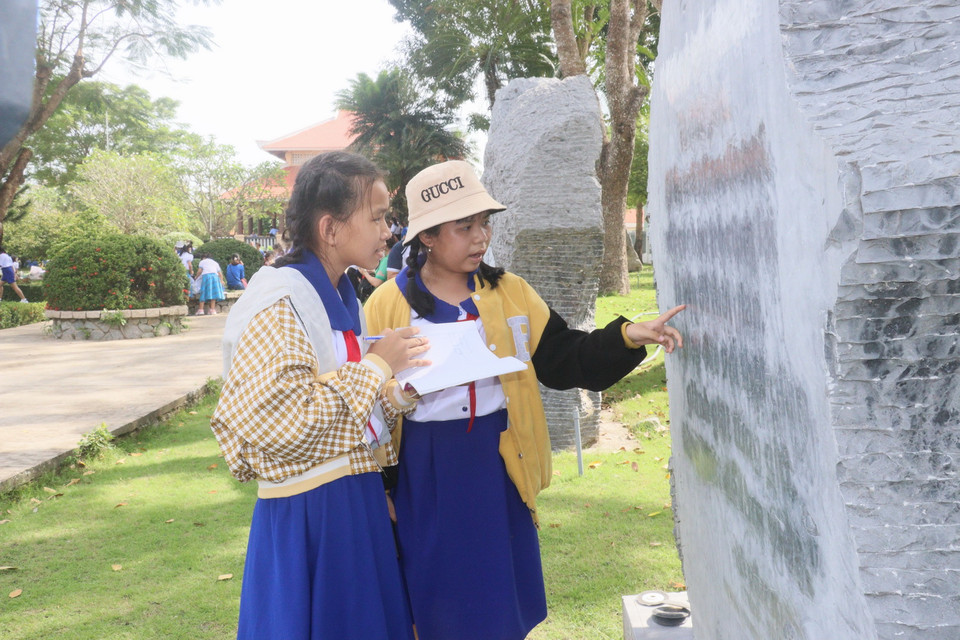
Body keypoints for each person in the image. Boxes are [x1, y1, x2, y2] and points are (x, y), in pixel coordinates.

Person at [364, 160, 686, 640]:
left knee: (498, 599)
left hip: (497, 462)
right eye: (465, 226)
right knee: (432, 599)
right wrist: (382, 488)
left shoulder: (509, 293)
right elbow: (369, 406)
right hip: (424, 469)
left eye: (485, 223)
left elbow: (563, 358)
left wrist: (627, 337)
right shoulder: (387, 305)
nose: (481, 237)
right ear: (427, 236)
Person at [210, 151, 430, 640]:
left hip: (348, 501)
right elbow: (278, 419)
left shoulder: (336, 293)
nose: (388, 232)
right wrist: (376, 367)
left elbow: (331, 411)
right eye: (376, 218)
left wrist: (395, 393)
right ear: (330, 229)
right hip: (312, 513)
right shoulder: (280, 301)